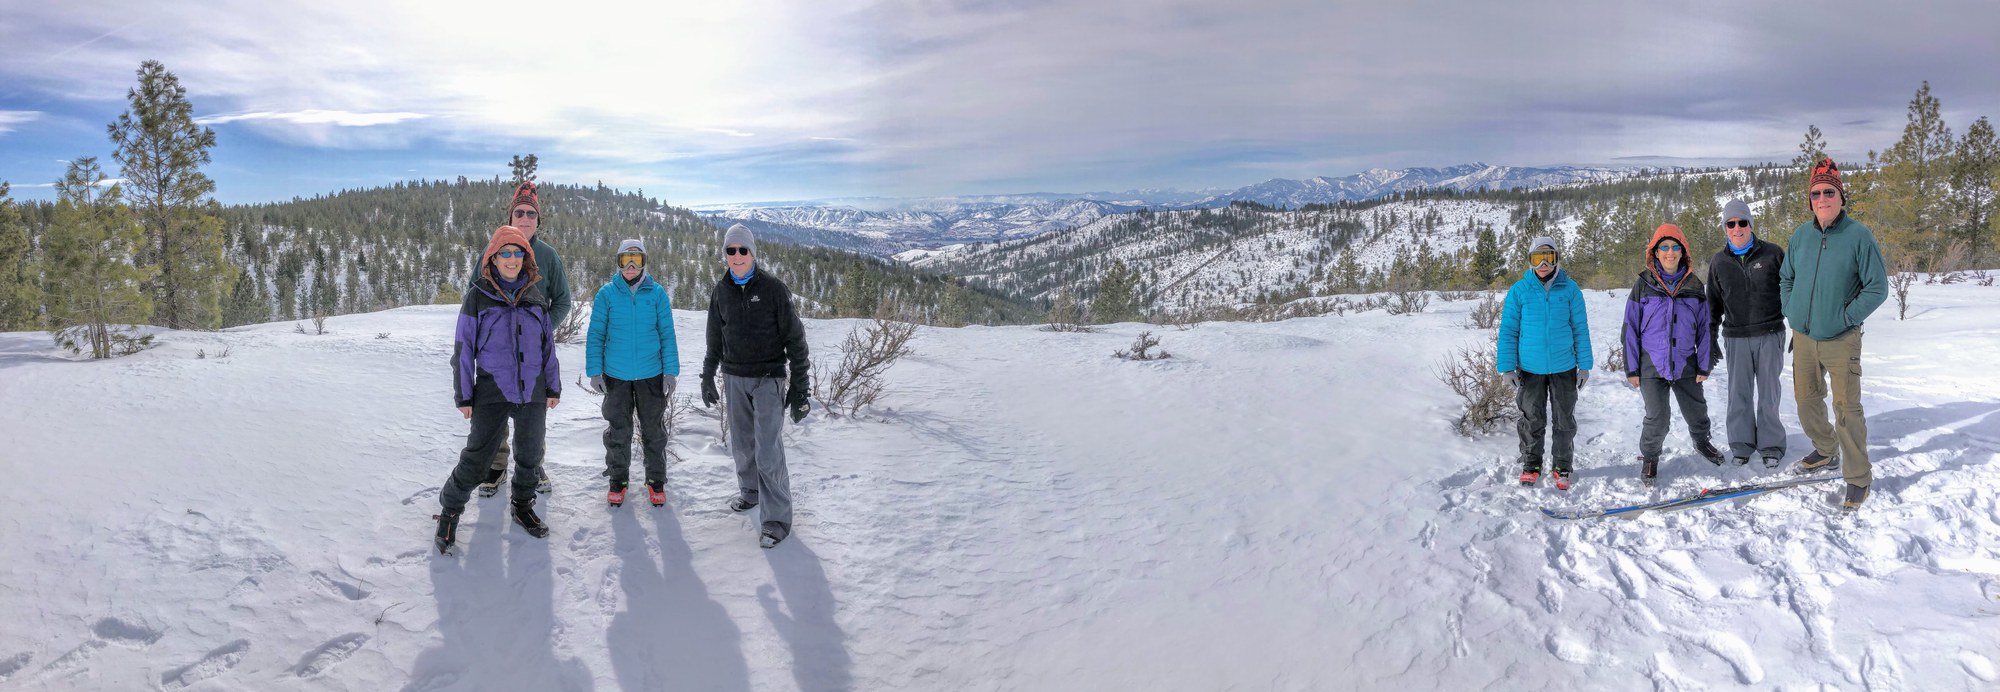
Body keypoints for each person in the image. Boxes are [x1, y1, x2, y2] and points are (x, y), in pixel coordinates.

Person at [436, 225, 561, 553]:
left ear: (526, 257)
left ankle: (522, 505)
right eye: (505, 252)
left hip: (533, 390)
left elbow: (547, 347)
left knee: (530, 455)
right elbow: (463, 348)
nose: (512, 258)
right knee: (478, 458)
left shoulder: (536, 297)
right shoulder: (478, 296)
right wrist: (464, 394)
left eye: (518, 252)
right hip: (492, 389)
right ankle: (450, 511)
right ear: (492, 257)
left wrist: (553, 387)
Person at [1779, 157, 1887, 511]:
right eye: (1816, 193)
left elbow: (1877, 288)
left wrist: (1846, 317)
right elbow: (1786, 277)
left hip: (1841, 339)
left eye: (1829, 192)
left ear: (1841, 197)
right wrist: (1792, 310)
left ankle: (1858, 478)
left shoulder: (1858, 236)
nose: (1822, 198)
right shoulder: (1801, 236)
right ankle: (1826, 450)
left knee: (1846, 409)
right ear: (1810, 199)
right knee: (1806, 400)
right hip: (1804, 337)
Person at [700, 224, 811, 548]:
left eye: (742, 250)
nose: (736, 256)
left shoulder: (773, 289)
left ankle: (776, 520)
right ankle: (750, 492)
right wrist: (708, 375)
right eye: (730, 250)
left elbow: (796, 340)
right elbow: (714, 339)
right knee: (742, 445)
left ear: (752, 253)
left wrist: (800, 388)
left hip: (768, 379)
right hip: (734, 377)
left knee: (768, 450)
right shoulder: (721, 291)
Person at [475, 181, 573, 497]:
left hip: (534, 356)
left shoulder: (548, 256)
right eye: (519, 212)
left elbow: (563, 300)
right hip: (496, 354)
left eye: (531, 213)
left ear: (538, 220)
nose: (525, 218)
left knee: (533, 412)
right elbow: (473, 297)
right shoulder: (492, 251)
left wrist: (542, 332)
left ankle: (531, 465)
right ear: (511, 216)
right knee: (496, 409)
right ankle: (496, 465)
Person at [1622, 224, 1724, 484]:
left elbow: (1704, 328)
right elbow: (1630, 328)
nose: (1670, 252)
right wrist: (1632, 369)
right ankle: (1650, 457)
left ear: (1683, 251)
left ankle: (1702, 442)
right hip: (1651, 363)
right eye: (1664, 247)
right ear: (1655, 252)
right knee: (1657, 418)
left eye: (1675, 246)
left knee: (1696, 409)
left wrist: (1704, 365)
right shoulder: (1643, 285)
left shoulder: (1694, 285)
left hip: (1685, 361)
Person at [583, 239, 679, 508]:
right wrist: (595, 371)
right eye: (625, 260)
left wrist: (670, 371)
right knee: (618, 430)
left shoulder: (657, 294)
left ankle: (656, 480)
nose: (631, 266)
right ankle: (618, 479)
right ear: (618, 263)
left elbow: (667, 334)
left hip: (651, 374)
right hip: (616, 375)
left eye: (637, 260)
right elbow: (596, 334)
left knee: (654, 430)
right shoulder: (607, 294)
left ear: (645, 263)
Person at [1497, 235, 1593, 491]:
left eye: (1548, 257)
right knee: (1532, 419)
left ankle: (1562, 466)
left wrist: (1584, 365)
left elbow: (1580, 329)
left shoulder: (1570, 289)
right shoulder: (1519, 290)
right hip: (1530, 369)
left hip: (1564, 367)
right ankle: (1531, 464)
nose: (1543, 264)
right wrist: (1507, 367)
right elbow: (1509, 330)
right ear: (1530, 260)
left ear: (1556, 259)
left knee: (1564, 420)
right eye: (1537, 258)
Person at [1705, 199, 1788, 468]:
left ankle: (1771, 445)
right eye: (1731, 224)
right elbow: (1713, 304)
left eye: (1742, 222)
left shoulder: (1773, 254)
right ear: (1725, 228)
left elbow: (1791, 291)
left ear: (1751, 224)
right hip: (1736, 337)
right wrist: (1710, 337)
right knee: (1738, 394)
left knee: (1769, 393)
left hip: (1770, 333)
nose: (1737, 228)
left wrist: (1800, 326)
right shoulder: (1719, 262)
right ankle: (1741, 445)